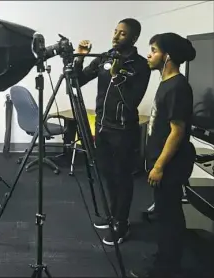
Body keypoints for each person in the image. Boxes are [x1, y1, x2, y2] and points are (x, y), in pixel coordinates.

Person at [74, 18, 151, 245]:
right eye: (115, 32)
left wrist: (117, 75)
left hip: (123, 131)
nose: (116, 36)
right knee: (107, 175)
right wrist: (79, 57)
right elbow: (78, 80)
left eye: (123, 34)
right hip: (103, 127)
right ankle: (113, 215)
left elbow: (131, 101)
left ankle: (122, 223)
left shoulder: (140, 66)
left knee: (122, 178)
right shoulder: (105, 57)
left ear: (134, 38)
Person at [130, 33, 196, 278]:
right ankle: (165, 258)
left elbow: (177, 133)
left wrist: (158, 166)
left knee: (169, 218)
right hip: (163, 163)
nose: (149, 54)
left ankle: (167, 269)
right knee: (164, 214)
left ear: (167, 56)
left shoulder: (178, 87)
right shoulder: (166, 82)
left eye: (154, 50)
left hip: (171, 165)